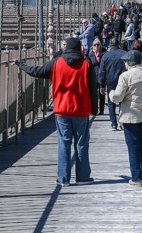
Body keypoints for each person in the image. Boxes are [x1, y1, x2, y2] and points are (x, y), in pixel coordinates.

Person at [17, 37, 98, 186]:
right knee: (81, 143)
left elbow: (37, 71)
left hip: (62, 110)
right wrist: (94, 109)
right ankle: (83, 176)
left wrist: (21, 65)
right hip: (81, 110)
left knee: (63, 143)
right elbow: (93, 88)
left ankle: (63, 178)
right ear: (79, 48)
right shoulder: (86, 64)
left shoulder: (56, 63)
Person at [110, 49, 142, 186]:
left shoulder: (125, 76)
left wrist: (110, 94)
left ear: (129, 62)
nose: (125, 64)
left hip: (130, 117)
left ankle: (136, 177)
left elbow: (118, 97)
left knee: (133, 146)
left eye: (126, 62)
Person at [98, 37, 128, 130]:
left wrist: (102, 85)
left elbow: (102, 72)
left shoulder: (105, 56)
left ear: (110, 45)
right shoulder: (124, 54)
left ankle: (113, 123)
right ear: (119, 44)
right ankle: (121, 121)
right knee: (123, 101)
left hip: (110, 81)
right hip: (123, 81)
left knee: (111, 103)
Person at [87, 39, 105, 115]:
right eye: (95, 45)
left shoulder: (104, 53)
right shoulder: (90, 54)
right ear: (92, 46)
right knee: (93, 94)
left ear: (100, 45)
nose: (96, 46)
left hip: (102, 76)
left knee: (102, 94)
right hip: (93, 76)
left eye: (98, 44)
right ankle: (94, 110)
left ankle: (101, 110)